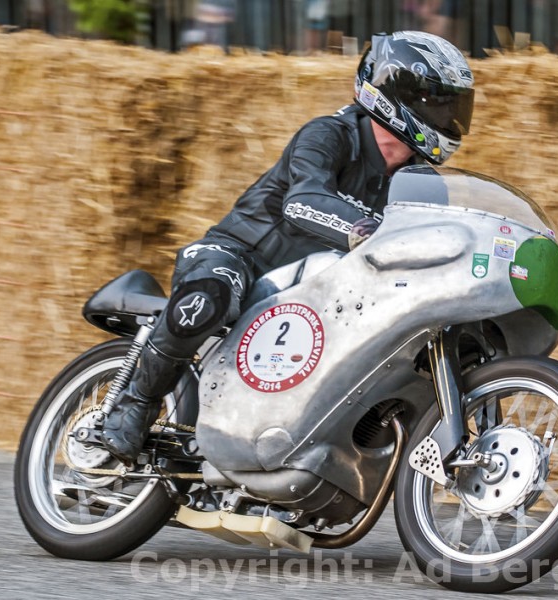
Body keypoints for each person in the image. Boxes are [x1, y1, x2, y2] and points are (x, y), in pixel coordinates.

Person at [101, 31, 476, 464]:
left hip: (319, 289)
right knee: (209, 299)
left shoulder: (421, 182)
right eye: (440, 101)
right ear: (398, 95)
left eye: (456, 104)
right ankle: (136, 401)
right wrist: (364, 230)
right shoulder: (329, 135)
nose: (451, 115)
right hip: (240, 257)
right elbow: (301, 202)